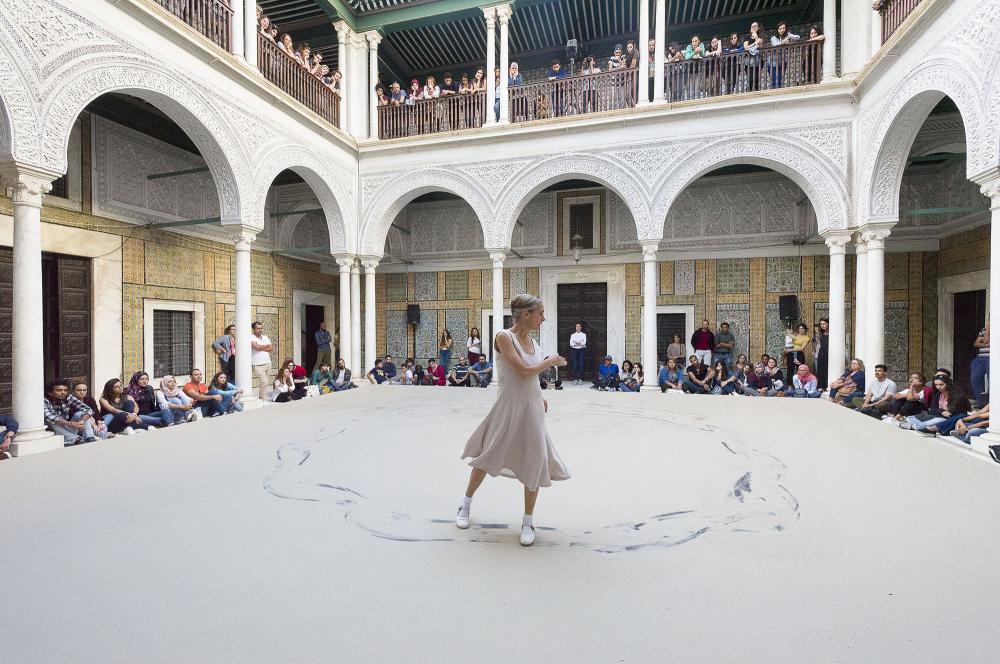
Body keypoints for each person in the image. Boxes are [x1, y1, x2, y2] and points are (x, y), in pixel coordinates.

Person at [458, 294, 570, 547]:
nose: (544, 318)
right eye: (540, 313)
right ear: (526, 314)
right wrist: (549, 362)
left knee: (534, 460)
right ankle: (465, 504)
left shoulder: (535, 343)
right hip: (508, 407)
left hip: (532, 408)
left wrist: (539, 397)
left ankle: (528, 521)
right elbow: (521, 371)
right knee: (488, 456)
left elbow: (531, 379)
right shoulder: (503, 337)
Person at [44, 379, 98, 445]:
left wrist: (81, 422)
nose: (63, 392)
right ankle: (76, 439)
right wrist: (70, 424)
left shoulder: (68, 397)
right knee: (53, 422)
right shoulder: (45, 401)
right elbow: (50, 417)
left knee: (80, 413)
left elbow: (88, 409)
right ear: (50, 392)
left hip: (67, 427)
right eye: (59, 390)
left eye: (65, 390)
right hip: (53, 430)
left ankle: (89, 437)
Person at [251, 321, 274, 401]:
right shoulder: (251, 337)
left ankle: (261, 397)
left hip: (268, 363)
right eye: (258, 328)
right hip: (257, 364)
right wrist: (266, 345)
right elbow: (256, 347)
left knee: (265, 382)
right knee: (264, 382)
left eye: (261, 328)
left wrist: (261, 347)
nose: (260, 330)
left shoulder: (265, 337)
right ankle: (264, 399)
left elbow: (271, 348)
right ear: (253, 329)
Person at [970, 320, 989, 407]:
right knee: (974, 378)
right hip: (980, 358)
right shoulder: (983, 330)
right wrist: (986, 344)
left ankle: (992, 402)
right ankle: (981, 401)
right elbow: (976, 344)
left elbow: (984, 340)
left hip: (992, 357)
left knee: (993, 381)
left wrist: (984, 341)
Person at [814, 317, 830, 390]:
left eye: (824, 323)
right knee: (820, 370)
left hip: (829, 354)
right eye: (821, 324)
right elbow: (817, 344)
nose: (823, 325)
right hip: (821, 353)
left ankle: (827, 386)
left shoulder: (833, 333)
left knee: (827, 370)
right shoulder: (820, 334)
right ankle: (820, 387)